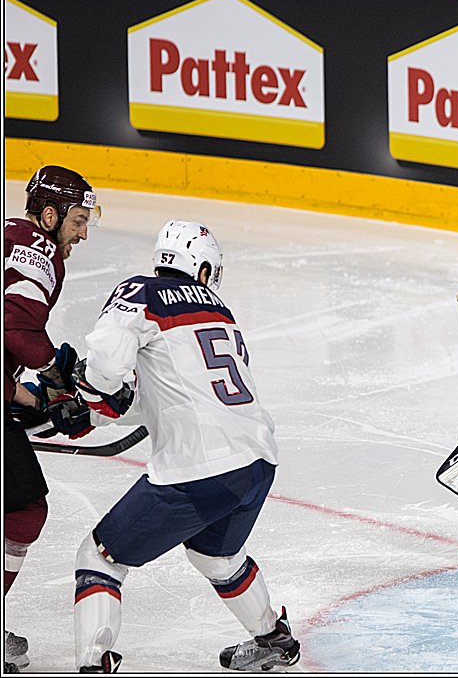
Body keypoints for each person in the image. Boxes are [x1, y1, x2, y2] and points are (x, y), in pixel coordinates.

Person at [70, 220, 299, 672]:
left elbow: (105, 365)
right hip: (256, 462)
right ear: (203, 267)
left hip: (199, 467)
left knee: (99, 559)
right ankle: (273, 637)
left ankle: (91, 664)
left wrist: (89, 397)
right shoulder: (219, 310)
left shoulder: (142, 292)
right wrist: (103, 406)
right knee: (216, 556)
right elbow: (170, 390)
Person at [4, 165, 100, 673]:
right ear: (50, 215)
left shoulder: (9, 237)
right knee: (23, 511)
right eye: (78, 220)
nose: (83, 233)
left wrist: (29, 398)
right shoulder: (37, 252)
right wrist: (56, 379)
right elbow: (17, 328)